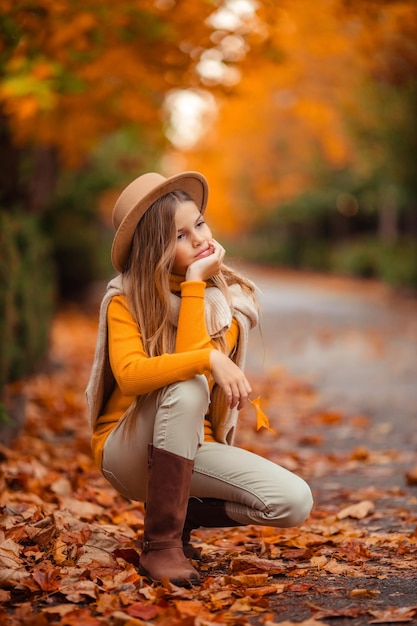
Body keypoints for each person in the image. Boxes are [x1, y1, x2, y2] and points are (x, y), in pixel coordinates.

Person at [86, 171, 313, 587]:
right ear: (154, 246)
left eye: (200, 224)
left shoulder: (223, 304)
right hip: (127, 449)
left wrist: (195, 288)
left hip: (190, 449)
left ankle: (176, 512)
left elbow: (192, 357)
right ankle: (161, 545)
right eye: (179, 235)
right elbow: (134, 376)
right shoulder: (125, 300)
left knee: (292, 501)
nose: (197, 238)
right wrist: (206, 350)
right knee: (190, 379)